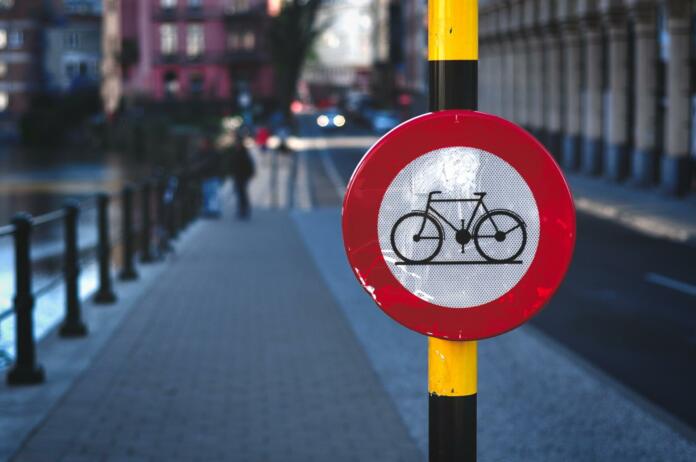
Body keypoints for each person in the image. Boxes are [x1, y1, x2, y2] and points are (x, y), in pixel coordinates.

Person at [228, 133, 255, 219]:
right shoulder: (238, 152)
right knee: (240, 193)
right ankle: (242, 209)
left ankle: (244, 210)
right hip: (238, 176)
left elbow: (248, 166)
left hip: (242, 176)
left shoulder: (243, 153)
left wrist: (248, 175)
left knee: (242, 193)